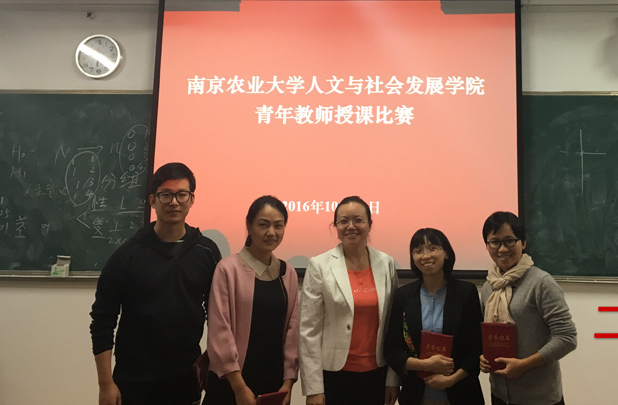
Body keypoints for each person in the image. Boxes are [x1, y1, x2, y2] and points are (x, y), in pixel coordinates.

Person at [90, 162, 222, 405]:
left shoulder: (207, 252)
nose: (174, 202)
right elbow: (102, 321)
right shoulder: (127, 256)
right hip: (134, 382)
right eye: (166, 195)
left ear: (192, 199)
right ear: (152, 200)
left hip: (185, 381)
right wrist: (105, 384)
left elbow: (219, 316)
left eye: (182, 194)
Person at [299, 195, 400, 405]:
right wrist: (313, 388)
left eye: (358, 220)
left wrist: (393, 379)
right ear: (335, 226)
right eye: (343, 221)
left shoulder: (386, 263)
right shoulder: (319, 265)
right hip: (334, 374)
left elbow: (394, 326)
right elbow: (309, 331)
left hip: (377, 373)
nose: (351, 226)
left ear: (370, 224)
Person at [204, 196, 299, 405]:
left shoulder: (287, 272)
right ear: (249, 226)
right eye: (263, 225)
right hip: (231, 383)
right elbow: (220, 331)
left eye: (278, 225)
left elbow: (293, 331)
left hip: (273, 384)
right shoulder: (228, 269)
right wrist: (239, 387)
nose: (271, 232)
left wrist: (288, 383)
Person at [478, 211, 577, 405]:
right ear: (487, 246)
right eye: (495, 242)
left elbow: (567, 338)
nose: (502, 249)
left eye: (509, 241)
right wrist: (483, 356)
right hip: (500, 394)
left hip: (539, 397)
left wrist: (523, 365)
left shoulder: (541, 283)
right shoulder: (489, 286)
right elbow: (489, 334)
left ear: (523, 243)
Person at [384, 228, 484, 405]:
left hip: (461, 393)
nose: (425, 256)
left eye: (433, 248)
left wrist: (452, 379)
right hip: (416, 395)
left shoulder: (466, 292)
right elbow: (392, 349)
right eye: (418, 250)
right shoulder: (403, 295)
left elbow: (476, 349)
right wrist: (425, 365)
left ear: (446, 253)